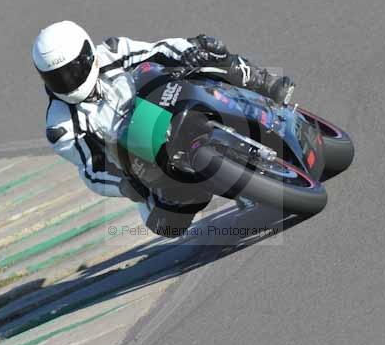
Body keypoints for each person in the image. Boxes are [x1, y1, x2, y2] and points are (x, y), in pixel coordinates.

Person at [33, 20, 294, 237]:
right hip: (145, 158)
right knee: (167, 224)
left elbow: (160, 50)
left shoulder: (112, 51)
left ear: (88, 54)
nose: (68, 81)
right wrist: (124, 184)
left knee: (208, 49)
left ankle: (262, 82)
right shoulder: (60, 127)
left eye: (72, 71)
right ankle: (227, 183)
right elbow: (92, 169)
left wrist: (187, 52)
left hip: (169, 104)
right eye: (58, 77)